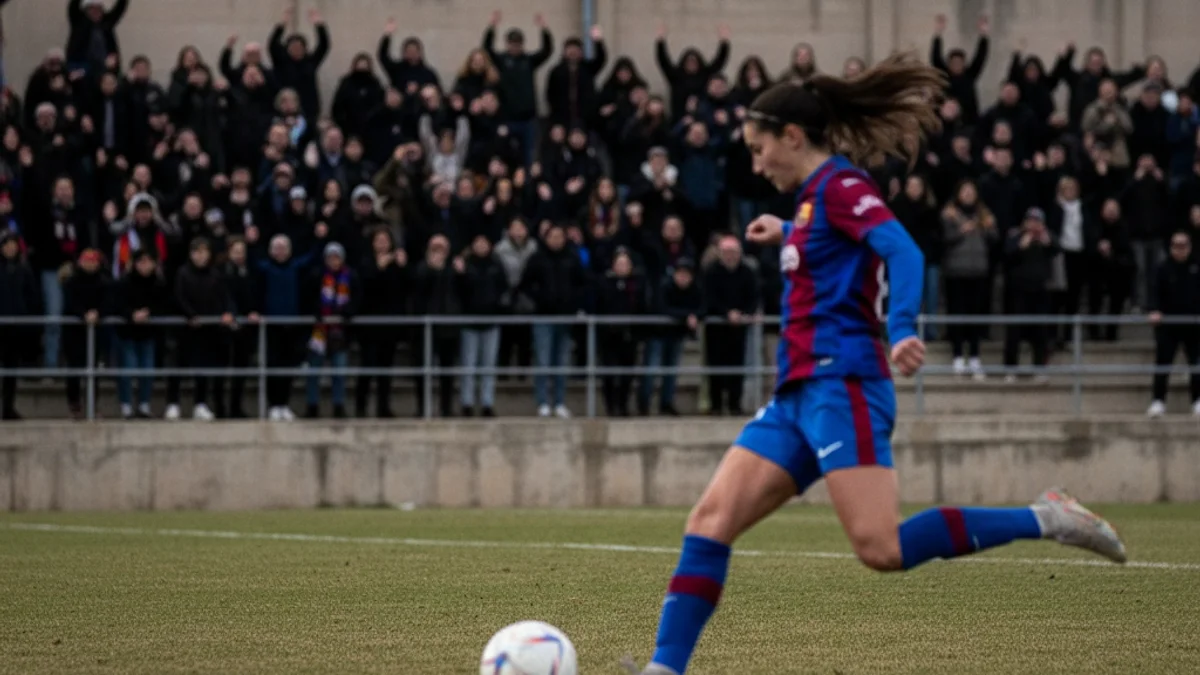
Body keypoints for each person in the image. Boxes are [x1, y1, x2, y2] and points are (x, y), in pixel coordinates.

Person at [623, 55, 1127, 675]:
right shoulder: (812, 202)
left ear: (792, 137)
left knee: (880, 548)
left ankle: (1049, 516)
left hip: (846, 385)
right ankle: (662, 670)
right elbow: (833, 251)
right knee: (709, 520)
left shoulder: (841, 186)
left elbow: (902, 249)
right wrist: (787, 230)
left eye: (760, 150)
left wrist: (905, 328)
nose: (756, 165)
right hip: (797, 394)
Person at [1145, 231, 1200, 418]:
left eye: (1184, 245)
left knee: (1196, 364)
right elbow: (1153, 291)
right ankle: (1158, 401)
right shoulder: (1162, 268)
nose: (1180, 250)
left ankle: (1197, 401)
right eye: (1176, 246)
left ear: (1190, 247)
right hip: (1168, 325)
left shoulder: (1196, 266)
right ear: (1171, 248)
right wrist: (1153, 310)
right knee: (1163, 364)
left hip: (1193, 325)